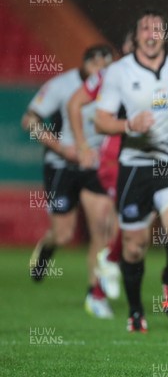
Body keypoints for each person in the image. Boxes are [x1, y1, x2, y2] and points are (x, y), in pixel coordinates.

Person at [94, 9, 168, 332]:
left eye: (157, 29)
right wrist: (127, 124)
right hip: (136, 167)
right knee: (134, 246)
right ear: (135, 35)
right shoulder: (119, 72)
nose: (151, 35)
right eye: (145, 29)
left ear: (165, 34)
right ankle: (136, 311)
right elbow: (100, 119)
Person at [23, 45, 115, 319]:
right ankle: (47, 247)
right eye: (96, 62)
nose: (100, 68)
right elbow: (29, 120)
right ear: (85, 63)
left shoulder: (113, 87)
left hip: (94, 166)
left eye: (105, 64)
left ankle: (94, 293)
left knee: (102, 228)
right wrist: (62, 148)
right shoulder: (62, 85)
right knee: (64, 234)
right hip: (62, 164)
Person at [66, 30, 135, 300]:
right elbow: (75, 103)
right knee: (105, 225)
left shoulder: (163, 73)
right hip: (113, 157)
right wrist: (83, 146)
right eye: (134, 41)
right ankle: (95, 291)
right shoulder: (111, 74)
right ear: (127, 45)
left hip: (148, 159)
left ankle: (107, 278)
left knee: (130, 225)